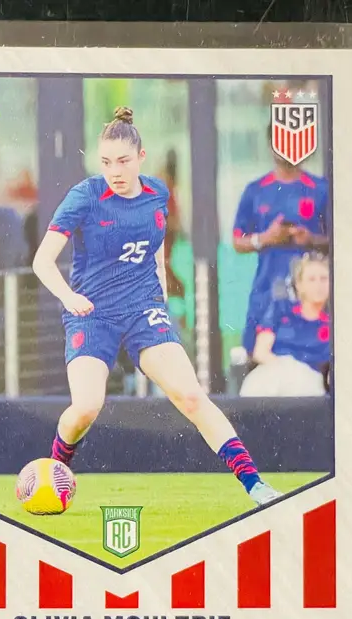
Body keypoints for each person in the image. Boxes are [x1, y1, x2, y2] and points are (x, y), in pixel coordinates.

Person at [31, 106, 281, 506]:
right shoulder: (85, 196)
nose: (115, 171)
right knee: (86, 407)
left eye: (123, 161)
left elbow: (156, 246)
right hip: (91, 313)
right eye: (106, 162)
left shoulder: (157, 194)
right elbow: (42, 261)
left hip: (142, 310)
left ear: (141, 157)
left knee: (191, 396)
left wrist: (160, 291)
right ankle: (54, 470)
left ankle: (256, 486)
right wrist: (69, 296)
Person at [232, 125, 330, 358]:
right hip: (267, 289)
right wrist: (266, 238)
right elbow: (237, 241)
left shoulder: (320, 189)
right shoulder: (256, 191)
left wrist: (310, 239)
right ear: (271, 145)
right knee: (259, 354)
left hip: (312, 293)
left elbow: (339, 239)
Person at [240, 253, 331, 397]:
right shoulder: (281, 310)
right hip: (273, 373)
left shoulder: (334, 323)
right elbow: (261, 352)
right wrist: (287, 369)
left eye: (324, 279)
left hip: (311, 383)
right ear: (299, 285)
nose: (318, 285)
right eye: (311, 279)